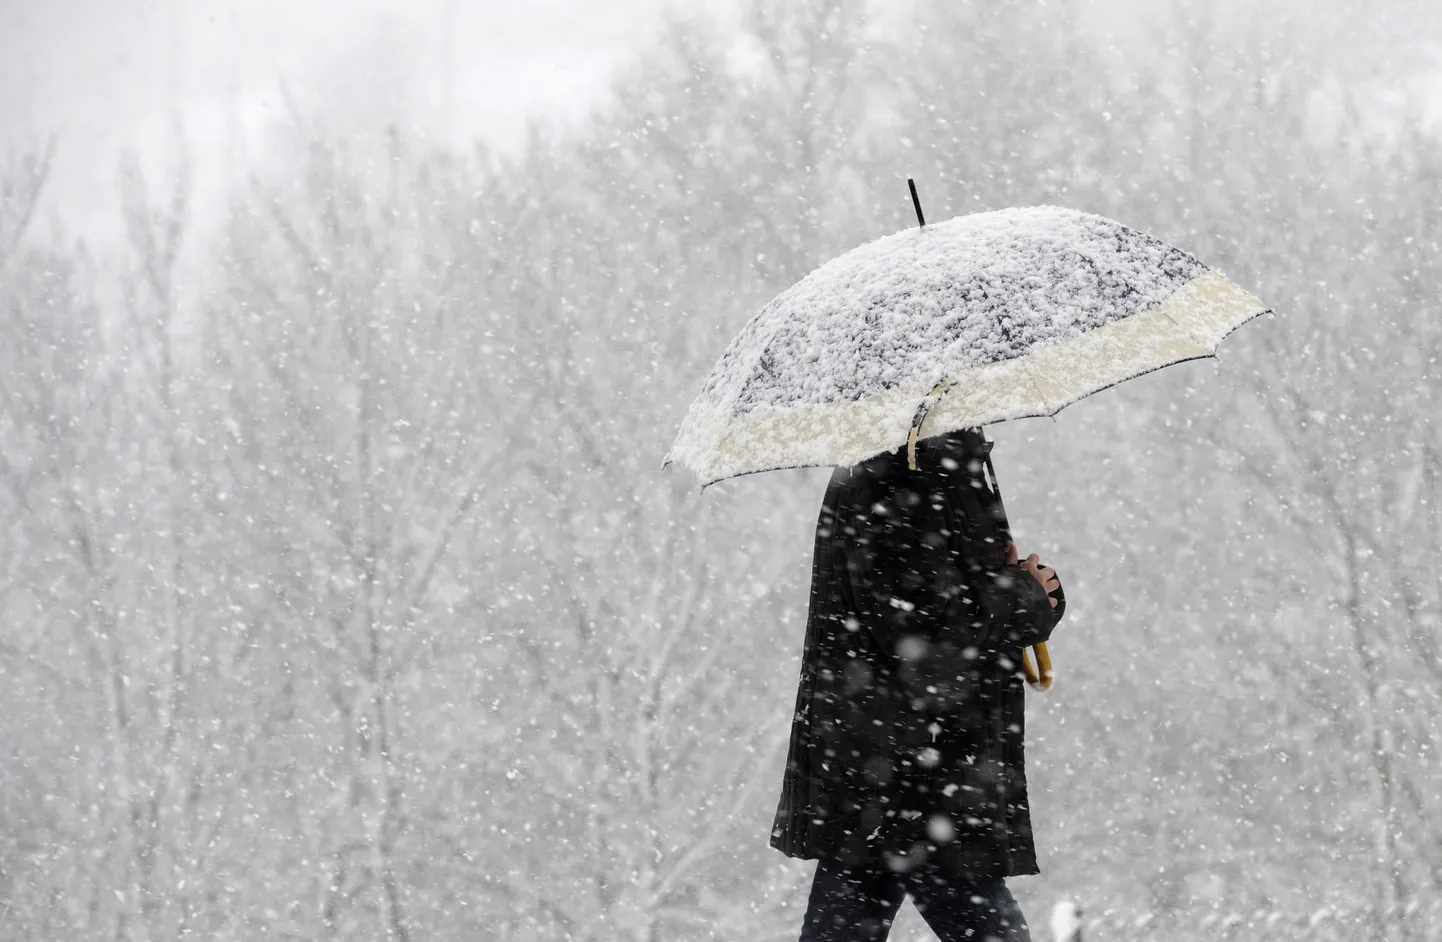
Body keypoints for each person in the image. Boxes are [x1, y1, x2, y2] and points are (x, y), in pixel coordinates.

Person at [770, 426, 1065, 942]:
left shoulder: (906, 461)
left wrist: (1006, 578)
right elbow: (928, 633)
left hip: (894, 771)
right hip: (918, 771)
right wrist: (1027, 598)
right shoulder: (903, 472)